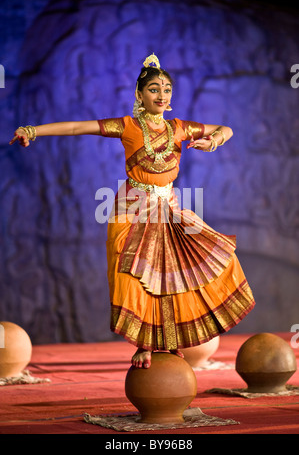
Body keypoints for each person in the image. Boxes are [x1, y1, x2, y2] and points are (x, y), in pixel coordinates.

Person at [9, 53, 255, 369]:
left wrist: (215, 141)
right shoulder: (127, 126)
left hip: (168, 208)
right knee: (137, 276)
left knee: (171, 274)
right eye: (154, 89)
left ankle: (167, 342)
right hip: (132, 209)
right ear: (140, 95)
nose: (161, 95)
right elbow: (75, 128)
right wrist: (32, 131)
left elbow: (225, 128)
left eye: (166, 89)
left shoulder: (179, 128)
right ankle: (143, 345)